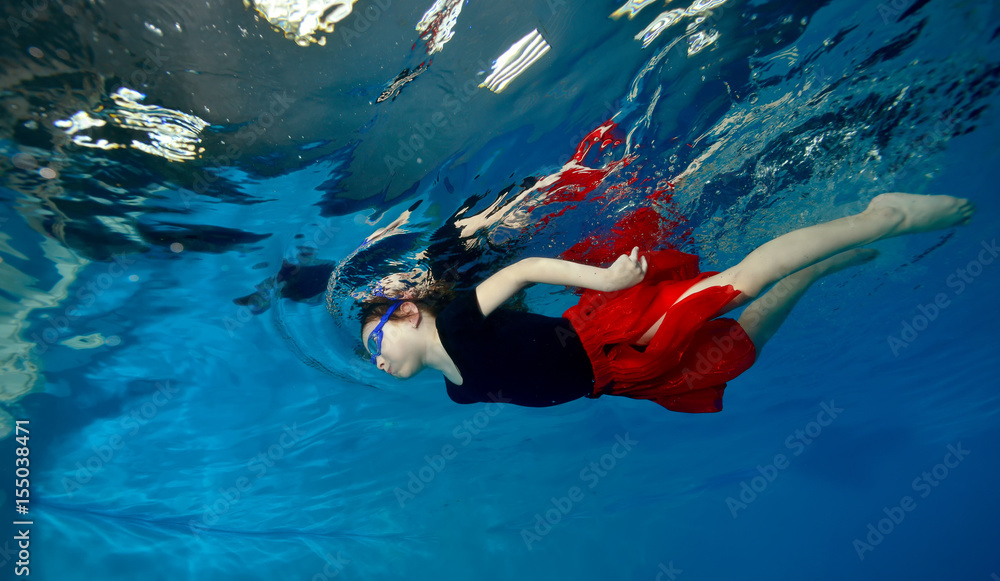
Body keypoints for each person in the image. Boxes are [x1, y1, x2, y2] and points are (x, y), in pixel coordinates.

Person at [359, 193, 975, 412]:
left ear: (407, 312)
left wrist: (604, 282)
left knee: (739, 284)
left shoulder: (462, 321)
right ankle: (821, 268)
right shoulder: (457, 391)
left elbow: (522, 270)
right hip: (619, 379)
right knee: (736, 354)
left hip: (611, 331)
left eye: (374, 343)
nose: (376, 360)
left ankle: (880, 217)